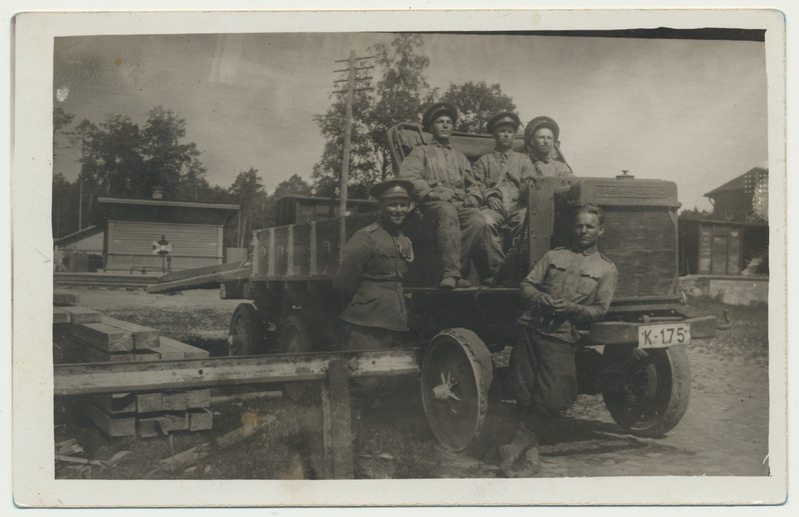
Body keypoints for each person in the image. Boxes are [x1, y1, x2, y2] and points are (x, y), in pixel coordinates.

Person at [500, 204, 617, 477]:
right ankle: (528, 457)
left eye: (590, 226)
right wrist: (541, 298)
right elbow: (526, 286)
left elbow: (600, 309)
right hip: (530, 330)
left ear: (600, 231)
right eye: (579, 225)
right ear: (573, 228)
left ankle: (513, 447)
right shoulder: (553, 255)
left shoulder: (606, 269)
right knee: (526, 395)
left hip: (562, 337)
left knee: (557, 398)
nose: (583, 230)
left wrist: (574, 310)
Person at [399, 102, 487, 289]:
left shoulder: (460, 157)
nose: (445, 125)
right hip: (429, 210)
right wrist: (432, 192)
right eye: (440, 122)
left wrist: (474, 196)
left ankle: (454, 273)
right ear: (431, 127)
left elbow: (473, 184)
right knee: (447, 211)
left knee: (477, 219)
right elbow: (408, 176)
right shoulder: (420, 152)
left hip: (458, 206)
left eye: (449, 122)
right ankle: (451, 273)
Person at [472, 111, 536, 283]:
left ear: (514, 135)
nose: (506, 134)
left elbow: (530, 184)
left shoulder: (523, 160)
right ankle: (498, 271)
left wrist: (523, 194)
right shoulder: (483, 161)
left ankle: (522, 271)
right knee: (485, 222)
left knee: (526, 225)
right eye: (502, 131)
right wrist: (490, 197)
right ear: (494, 134)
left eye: (509, 131)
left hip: (518, 206)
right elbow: (476, 184)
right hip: (494, 206)